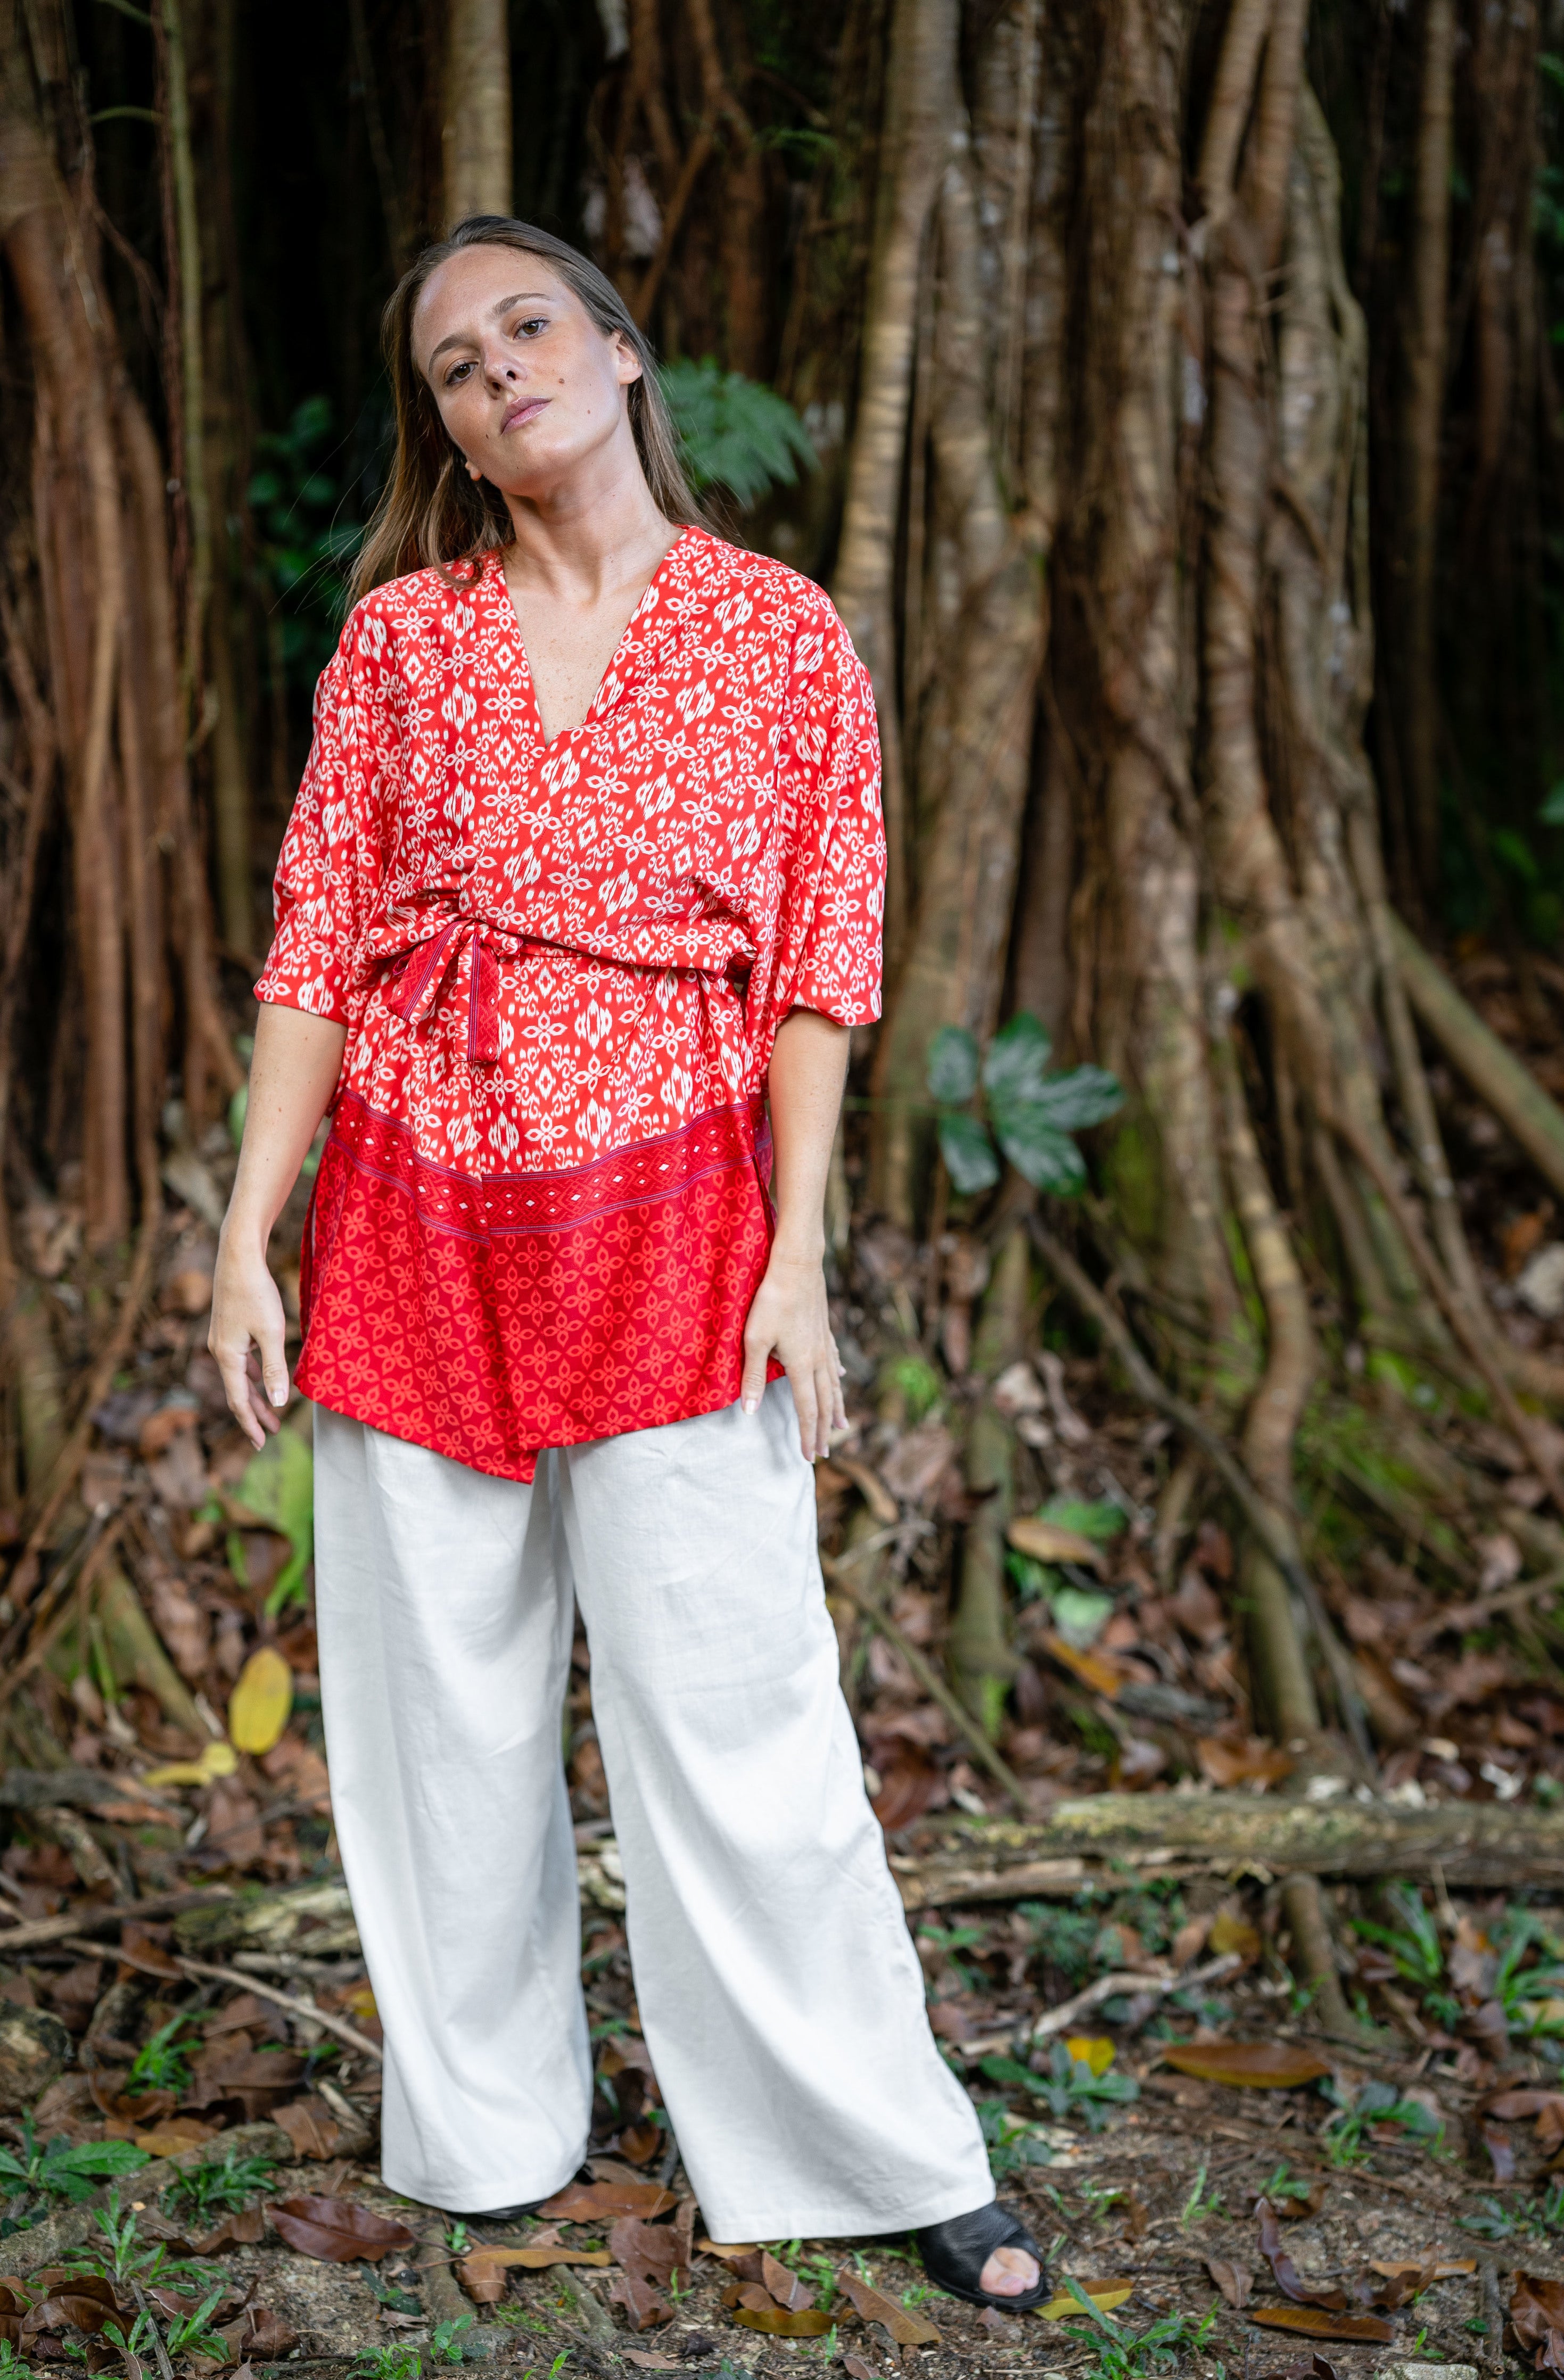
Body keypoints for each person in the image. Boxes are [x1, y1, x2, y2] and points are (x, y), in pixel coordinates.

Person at [209, 214, 1043, 2310]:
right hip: (412, 1198)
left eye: (526, 326)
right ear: (455, 436)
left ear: (618, 348)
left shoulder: (776, 637)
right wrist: (244, 1230)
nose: (499, 372)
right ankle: (490, 2132)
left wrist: (800, 1252)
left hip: (677, 1200)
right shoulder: (400, 641)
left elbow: (819, 972)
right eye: (455, 366)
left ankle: (864, 2140)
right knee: (438, 1713)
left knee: (732, 1695)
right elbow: (318, 946)